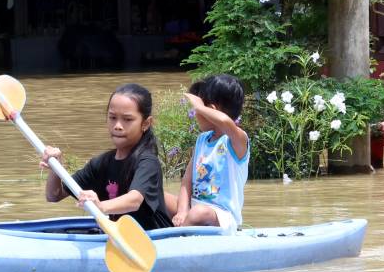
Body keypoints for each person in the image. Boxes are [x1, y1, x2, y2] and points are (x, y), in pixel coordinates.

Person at [39, 83, 172, 230]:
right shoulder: (100, 163)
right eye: (113, 117)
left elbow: (134, 201)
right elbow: (54, 195)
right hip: (119, 236)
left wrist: (100, 206)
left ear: (146, 123)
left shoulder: (148, 162)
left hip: (155, 238)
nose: (118, 125)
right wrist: (55, 168)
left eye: (127, 119)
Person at [168, 74, 249, 233]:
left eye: (197, 111)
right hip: (193, 209)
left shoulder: (237, 140)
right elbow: (186, 182)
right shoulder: (202, 140)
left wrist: (200, 107)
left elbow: (226, 122)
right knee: (155, 195)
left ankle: (178, 239)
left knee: (198, 213)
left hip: (221, 217)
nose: (195, 114)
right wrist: (182, 211)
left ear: (210, 110)